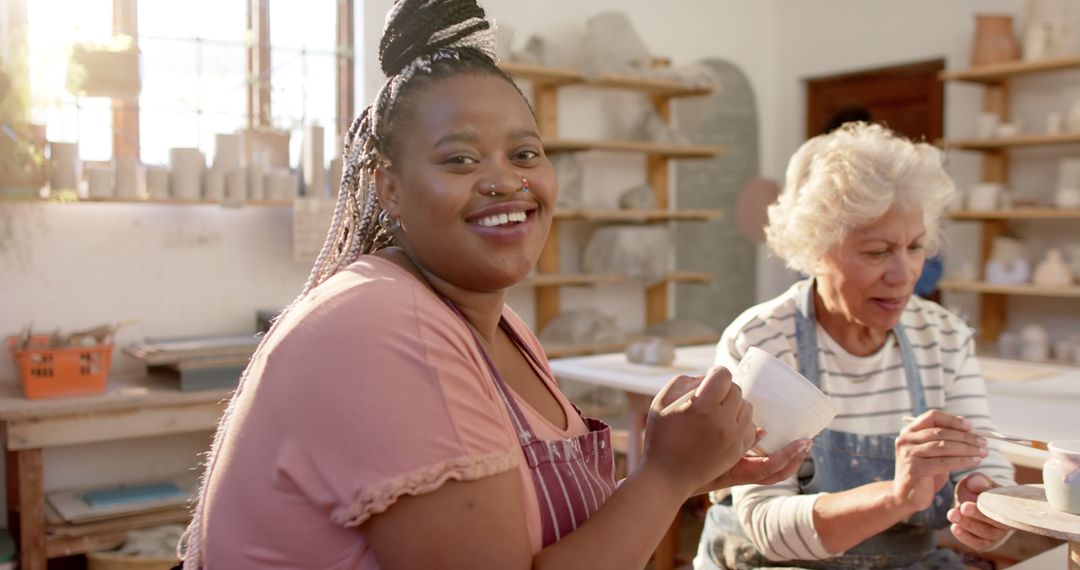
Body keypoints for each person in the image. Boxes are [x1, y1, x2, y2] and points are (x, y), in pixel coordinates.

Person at [178, 1, 810, 568]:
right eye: (459, 158)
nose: (505, 180)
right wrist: (665, 477)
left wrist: (685, 469)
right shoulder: (385, 326)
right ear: (388, 187)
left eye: (525, 153)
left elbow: (527, 532)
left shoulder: (495, 325)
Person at [694, 122, 1016, 570]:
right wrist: (897, 496)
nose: (905, 274)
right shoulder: (763, 342)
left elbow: (988, 467)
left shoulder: (942, 338)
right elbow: (767, 527)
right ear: (815, 250)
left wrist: (984, 502)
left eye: (916, 246)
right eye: (878, 251)